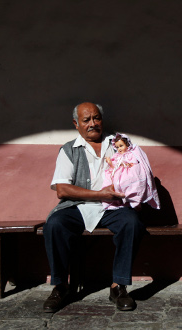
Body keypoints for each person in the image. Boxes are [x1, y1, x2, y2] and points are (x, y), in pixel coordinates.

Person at [43, 102, 146, 313]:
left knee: (132, 223)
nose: (92, 123)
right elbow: (62, 190)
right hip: (77, 206)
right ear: (76, 124)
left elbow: (136, 170)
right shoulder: (69, 149)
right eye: (86, 120)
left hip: (112, 206)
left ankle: (118, 287)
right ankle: (61, 286)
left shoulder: (118, 143)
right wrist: (100, 194)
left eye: (96, 118)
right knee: (54, 224)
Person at [102, 133, 160, 212]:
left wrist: (126, 164)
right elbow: (113, 168)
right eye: (117, 147)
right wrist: (110, 162)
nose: (119, 149)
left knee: (133, 185)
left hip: (130, 174)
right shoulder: (117, 156)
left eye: (121, 146)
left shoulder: (131, 154)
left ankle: (135, 201)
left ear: (127, 144)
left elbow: (133, 163)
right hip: (119, 176)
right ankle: (123, 201)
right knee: (115, 184)